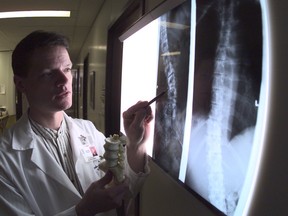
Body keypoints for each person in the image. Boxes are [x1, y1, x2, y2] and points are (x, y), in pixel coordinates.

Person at [0, 30, 153, 216]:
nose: (65, 80)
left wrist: (136, 143)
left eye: (66, 69)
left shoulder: (87, 130)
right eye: (48, 74)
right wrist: (83, 211)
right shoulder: (5, 158)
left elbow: (124, 188)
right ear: (21, 84)